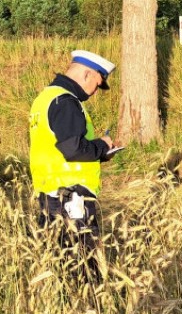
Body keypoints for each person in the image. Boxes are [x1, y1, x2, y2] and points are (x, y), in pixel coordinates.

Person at [29, 50, 118, 283]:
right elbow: (73, 150)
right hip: (71, 198)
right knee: (85, 266)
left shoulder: (45, 98)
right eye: (98, 84)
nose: (96, 91)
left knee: (59, 261)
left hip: (51, 194)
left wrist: (99, 152)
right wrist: (101, 146)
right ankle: (90, 309)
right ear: (87, 73)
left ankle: (67, 310)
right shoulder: (66, 102)